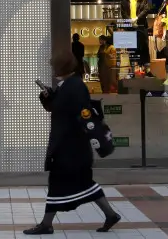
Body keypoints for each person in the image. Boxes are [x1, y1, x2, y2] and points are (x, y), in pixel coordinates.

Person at [27, 51, 122, 235]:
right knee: (77, 184)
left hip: (71, 148)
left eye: (55, 66)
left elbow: (81, 114)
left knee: (63, 183)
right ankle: (110, 214)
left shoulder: (75, 86)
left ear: (62, 67)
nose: (53, 69)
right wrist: (50, 95)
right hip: (69, 147)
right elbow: (61, 107)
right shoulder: (68, 85)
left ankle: (47, 224)